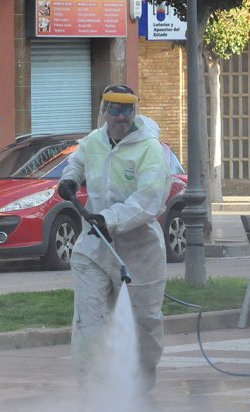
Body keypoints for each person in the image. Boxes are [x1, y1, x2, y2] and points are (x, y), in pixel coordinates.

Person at [57, 84, 172, 392]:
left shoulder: (150, 149)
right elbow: (79, 162)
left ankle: (143, 379)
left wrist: (109, 219)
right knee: (89, 319)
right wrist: (70, 179)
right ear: (104, 111)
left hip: (140, 250)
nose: (121, 117)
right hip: (94, 247)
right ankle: (92, 384)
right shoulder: (93, 142)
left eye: (127, 109)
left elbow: (149, 199)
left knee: (144, 321)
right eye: (114, 109)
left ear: (136, 111)